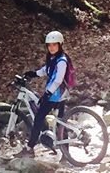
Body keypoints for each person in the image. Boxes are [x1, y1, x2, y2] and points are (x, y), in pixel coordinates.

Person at [17, 30, 69, 158]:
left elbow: (58, 80)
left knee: (39, 118)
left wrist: (47, 94)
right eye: (49, 45)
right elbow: (46, 70)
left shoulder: (62, 60)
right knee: (61, 123)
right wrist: (33, 73)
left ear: (60, 45)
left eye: (54, 45)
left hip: (56, 95)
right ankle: (66, 154)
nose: (51, 47)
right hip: (59, 94)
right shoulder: (54, 59)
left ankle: (29, 149)